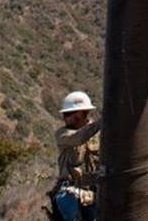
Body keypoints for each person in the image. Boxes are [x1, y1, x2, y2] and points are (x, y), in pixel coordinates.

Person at [53, 90, 101, 221]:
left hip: (93, 192)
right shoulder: (62, 134)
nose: (65, 117)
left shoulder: (97, 135)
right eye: (65, 114)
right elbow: (79, 138)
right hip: (70, 191)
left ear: (81, 114)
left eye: (69, 114)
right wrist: (103, 122)